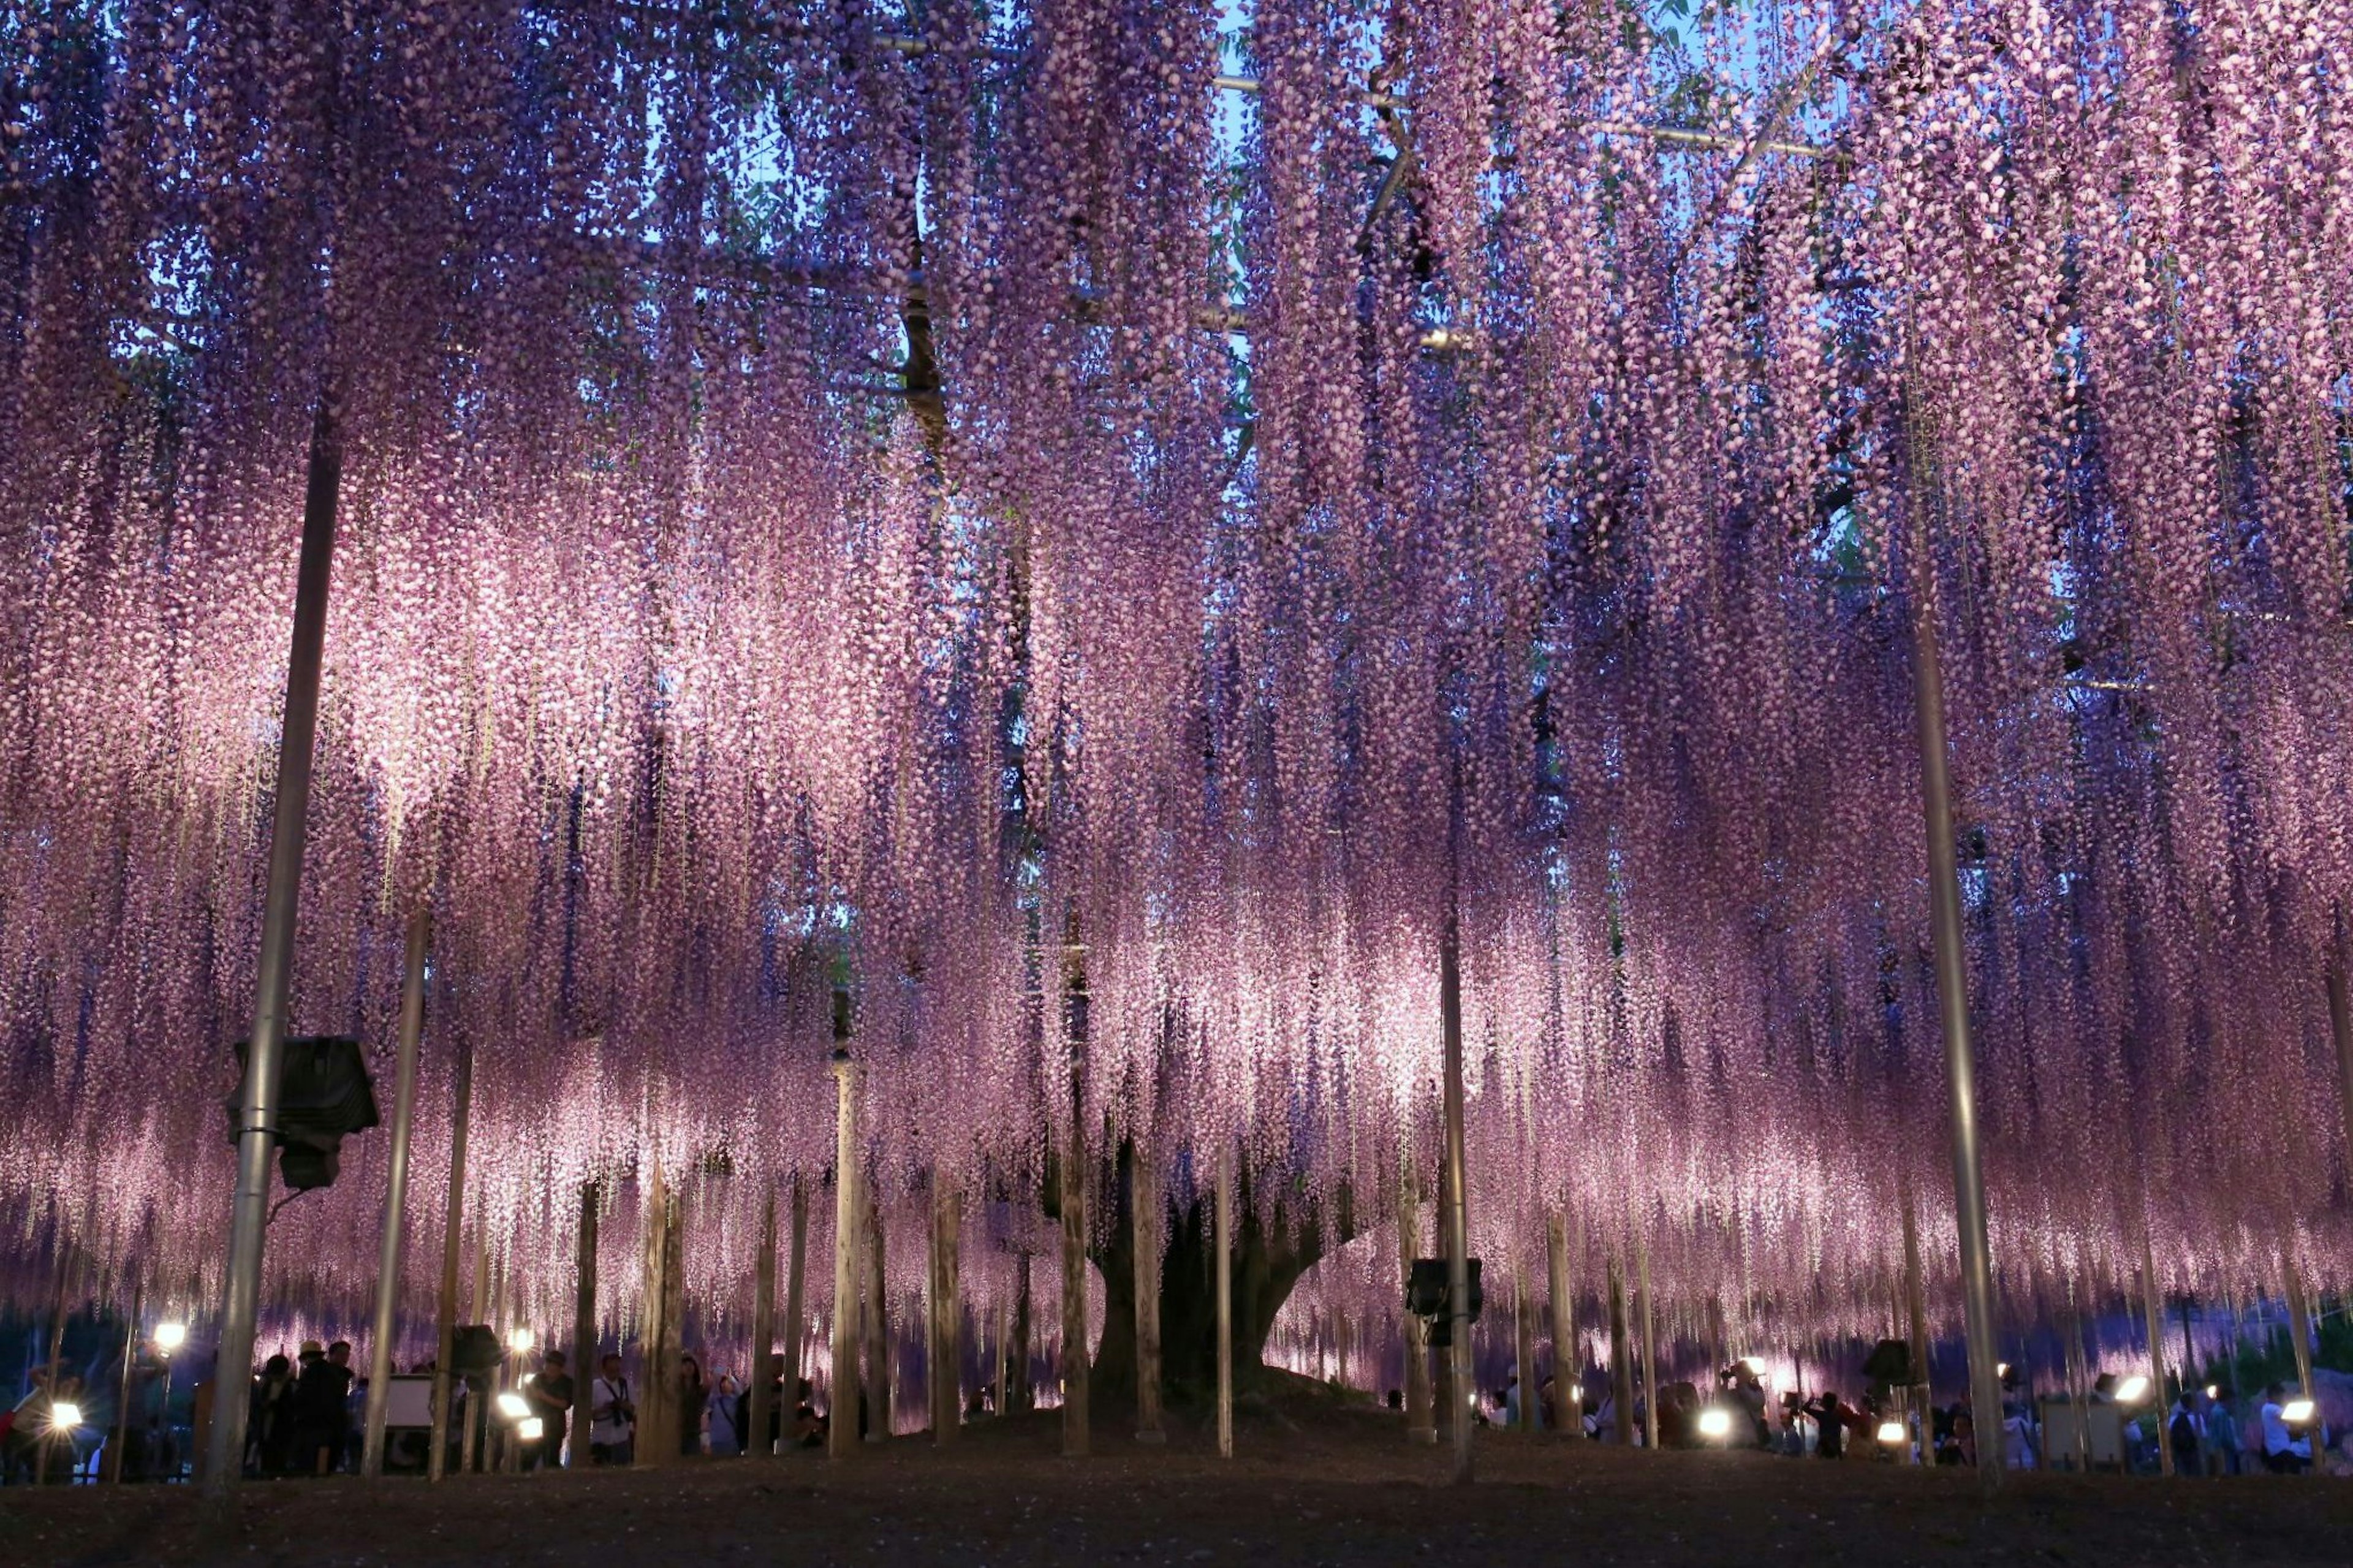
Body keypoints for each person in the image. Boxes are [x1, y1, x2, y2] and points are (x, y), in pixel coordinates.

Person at [292, 1341, 355, 1475]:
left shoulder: (312, 1374)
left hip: (315, 1427)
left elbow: (303, 1400)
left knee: (311, 1465)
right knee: (325, 1466)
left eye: (346, 1354)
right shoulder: (336, 1374)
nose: (345, 1358)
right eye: (341, 1354)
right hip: (332, 1427)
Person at [247, 1354, 297, 1477]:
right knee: (267, 1460)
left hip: (280, 1431)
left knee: (277, 1461)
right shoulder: (270, 1384)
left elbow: (291, 1408)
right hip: (267, 1430)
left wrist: (273, 1405)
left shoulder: (290, 1386)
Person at [523, 1350, 574, 1469]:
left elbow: (564, 1404)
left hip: (554, 1425)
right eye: (548, 1365)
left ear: (560, 1369)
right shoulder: (538, 1379)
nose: (550, 1370)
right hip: (535, 1424)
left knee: (551, 1459)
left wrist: (543, 1396)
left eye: (554, 1368)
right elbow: (528, 1399)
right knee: (528, 1457)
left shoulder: (566, 1383)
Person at [589, 1354, 634, 1465]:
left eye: (617, 1369)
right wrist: (603, 1409)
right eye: (611, 1369)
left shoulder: (627, 1385)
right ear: (604, 1369)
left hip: (622, 1437)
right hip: (601, 1438)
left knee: (622, 1471)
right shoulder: (595, 1387)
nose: (615, 1372)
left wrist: (625, 1406)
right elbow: (585, 1415)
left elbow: (634, 1409)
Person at [2259, 1384, 2311, 1474]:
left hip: (2276, 1449)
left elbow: (2288, 1426)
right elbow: (2288, 1416)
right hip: (2278, 1449)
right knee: (2294, 1463)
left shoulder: (2267, 1409)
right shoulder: (2271, 1408)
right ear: (2274, 1395)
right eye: (2281, 1396)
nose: (2282, 1398)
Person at [2205, 1387, 2243, 1476]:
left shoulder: (2214, 1411)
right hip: (2225, 1453)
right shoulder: (2222, 1413)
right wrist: (2235, 1447)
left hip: (2215, 1451)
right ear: (2228, 1399)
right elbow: (2225, 1436)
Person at [678, 1353, 710, 1456]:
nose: (688, 1367)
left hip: (693, 1433)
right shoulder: (675, 1389)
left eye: (691, 1364)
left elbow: (707, 1386)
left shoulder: (698, 1390)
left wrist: (702, 1363)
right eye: (685, 1364)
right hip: (675, 1433)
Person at [1804, 1389, 1847, 1459]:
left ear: (1825, 1403)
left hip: (1824, 1446)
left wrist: (1811, 1400)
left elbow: (1805, 1408)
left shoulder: (1822, 1415)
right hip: (1836, 1447)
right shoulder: (1839, 1416)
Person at [707, 1372, 741, 1456]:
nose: (725, 1385)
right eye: (723, 1382)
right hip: (716, 1440)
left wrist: (732, 1380)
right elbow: (709, 1395)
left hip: (731, 1440)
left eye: (728, 1383)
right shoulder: (716, 1400)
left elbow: (741, 1394)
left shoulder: (737, 1401)